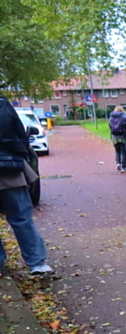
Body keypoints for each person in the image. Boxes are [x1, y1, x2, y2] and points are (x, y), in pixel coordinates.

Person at [0, 94, 52, 275]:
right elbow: (20, 135)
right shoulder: (3, 105)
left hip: (8, 167)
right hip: (8, 169)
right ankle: (37, 263)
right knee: (21, 218)